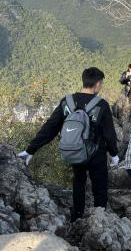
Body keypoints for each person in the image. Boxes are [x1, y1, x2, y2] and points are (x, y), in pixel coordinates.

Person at [17, 67, 120, 222]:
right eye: (102, 84)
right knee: (99, 187)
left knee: (78, 183)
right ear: (97, 84)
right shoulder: (102, 105)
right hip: (96, 155)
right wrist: (114, 154)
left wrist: (30, 150)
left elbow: (50, 127)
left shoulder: (67, 101)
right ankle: (100, 219)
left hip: (75, 152)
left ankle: (77, 217)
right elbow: (109, 135)